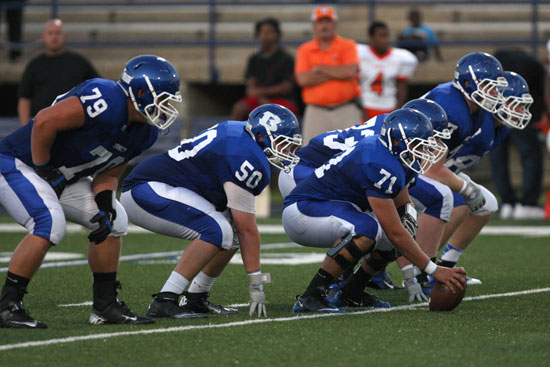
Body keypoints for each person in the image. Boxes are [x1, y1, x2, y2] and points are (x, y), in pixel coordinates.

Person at [0, 54, 183, 328]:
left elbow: (109, 174)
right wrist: (44, 168)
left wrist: (105, 204)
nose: (168, 105)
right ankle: (7, 306)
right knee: (48, 223)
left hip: (61, 175)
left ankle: (105, 305)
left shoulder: (145, 132)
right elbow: (44, 122)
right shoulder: (107, 98)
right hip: (20, 162)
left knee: (115, 220)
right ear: (141, 92)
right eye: (164, 97)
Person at [121, 104, 302, 319]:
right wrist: (256, 284)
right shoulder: (245, 156)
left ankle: (196, 297)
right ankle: (165, 298)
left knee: (230, 231)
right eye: (283, 144)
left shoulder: (242, 134)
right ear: (262, 137)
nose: (287, 152)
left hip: (169, 187)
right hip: (147, 188)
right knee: (219, 230)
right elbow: (248, 231)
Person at [282, 108, 466, 313]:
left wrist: (409, 216)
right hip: (304, 210)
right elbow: (395, 233)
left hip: (337, 207)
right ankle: (312, 296)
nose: (423, 151)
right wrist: (433, 269)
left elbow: (402, 201)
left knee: (403, 225)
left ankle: (352, 292)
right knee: (368, 229)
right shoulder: (376, 159)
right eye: (417, 145)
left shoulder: (398, 155)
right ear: (397, 141)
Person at [418, 52, 511, 287]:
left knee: (486, 203)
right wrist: (465, 187)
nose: (497, 96)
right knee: (456, 201)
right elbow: (430, 164)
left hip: (424, 163)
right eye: (491, 88)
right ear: (469, 84)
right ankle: (423, 269)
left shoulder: (475, 110)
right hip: (409, 163)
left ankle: (443, 266)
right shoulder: (452, 105)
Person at [490, 48, 546, 219]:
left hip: (495, 111)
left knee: (498, 157)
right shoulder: (535, 66)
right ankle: (528, 203)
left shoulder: (499, 60)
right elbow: (543, 94)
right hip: (521, 114)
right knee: (530, 156)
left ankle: (507, 202)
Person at [295, 5, 362, 145]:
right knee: (310, 155)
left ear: (335, 24)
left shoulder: (348, 45)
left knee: (353, 154)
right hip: (316, 111)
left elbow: (349, 72)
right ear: (314, 25)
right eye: (320, 22)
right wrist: (337, 72)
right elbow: (303, 79)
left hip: (346, 109)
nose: (324, 26)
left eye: (328, 21)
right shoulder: (305, 49)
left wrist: (319, 69)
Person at [18, 19, 99, 126]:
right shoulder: (34, 65)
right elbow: (24, 97)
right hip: (43, 126)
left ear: (64, 36)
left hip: (76, 125)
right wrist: (26, 128)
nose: (54, 37)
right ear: (43, 37)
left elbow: (97, 88)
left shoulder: (79, 62)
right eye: (50, 33)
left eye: (58, 33)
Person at [230, 17, 297, 121]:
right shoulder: (254, 58)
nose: (265, 35)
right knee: (239, 108)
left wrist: (263, 95)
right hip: (258, 99)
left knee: (283, 113)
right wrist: (261, 98)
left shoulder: (286, 58)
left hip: (282, 100)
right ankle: (233, 136)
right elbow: (251, 86)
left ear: (276, 34)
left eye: (269, 32)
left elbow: (287, 87)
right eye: (262, 32)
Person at [357, 21, 418, 120]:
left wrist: (397, 112)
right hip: (366, 105)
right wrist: (361, 111)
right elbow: (354, 86)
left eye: (386, 35)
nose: (385, 39)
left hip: (389, 106)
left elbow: (402, 88)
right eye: (381, 36)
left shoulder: (402, 58)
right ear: (372, 38)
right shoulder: (360, 54)